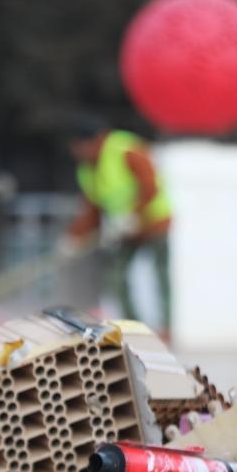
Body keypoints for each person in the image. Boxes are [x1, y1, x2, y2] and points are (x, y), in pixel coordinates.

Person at [64, 117, 173, 329]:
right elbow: (92, 208)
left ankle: (167, 327)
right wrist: (75, 237)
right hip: (125, 231)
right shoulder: (88, 169)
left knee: (161, 277)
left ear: (94, 141)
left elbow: (150, 185)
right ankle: (134, 326)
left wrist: (134, 215)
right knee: (117, 277)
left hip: (154, 221)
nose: (77, 152)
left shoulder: (124, 149)